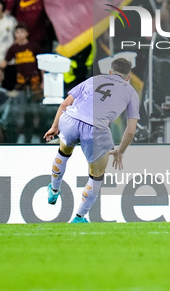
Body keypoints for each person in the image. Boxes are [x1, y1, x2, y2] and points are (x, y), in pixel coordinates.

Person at [43, 57, 139, 223]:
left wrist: (55, 126)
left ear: (110, 72)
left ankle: (54, 188)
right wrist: (120, 151)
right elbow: (130, 131)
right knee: (96, 175)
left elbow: (65, 105)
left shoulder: (93, 79)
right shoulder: (131, 92)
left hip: (71, 120)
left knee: (64, 151)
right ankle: (79, 217)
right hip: (96, 129)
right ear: (128, 77)